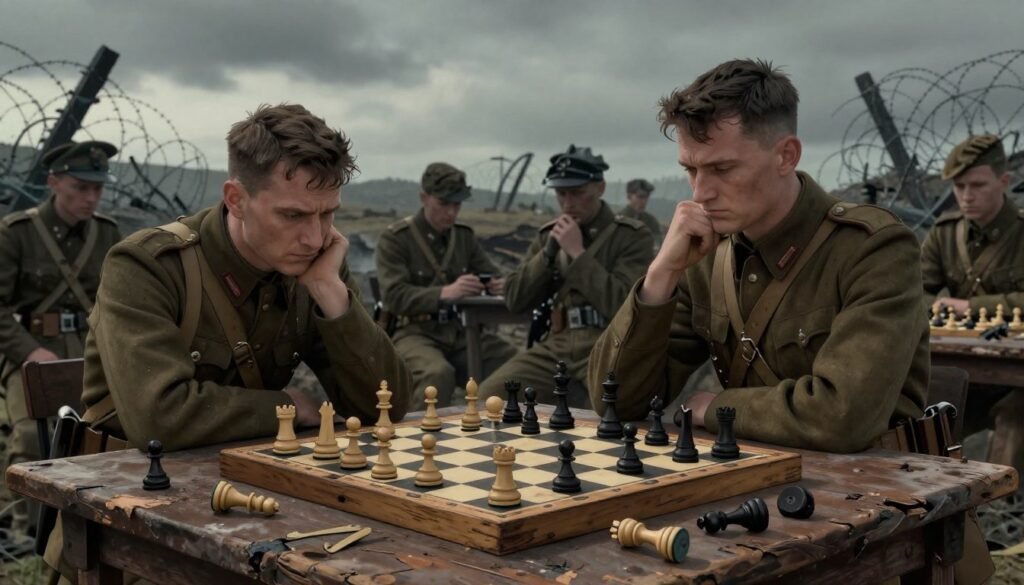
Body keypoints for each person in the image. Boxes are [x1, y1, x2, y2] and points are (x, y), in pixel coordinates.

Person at [588, 58, 991, 585]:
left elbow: (842, 415)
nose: (699, 193)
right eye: (691, 169)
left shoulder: (873, 249)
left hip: (877, 515)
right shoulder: (707, 255)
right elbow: (616, 402)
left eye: (722, 169)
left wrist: (716, 407)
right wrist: (659, 276)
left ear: (787, 155)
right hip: (759, 499)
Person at [78, 103, 411, 453]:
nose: (314, 238)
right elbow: (160, 419)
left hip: (249, 471)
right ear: (236, 199)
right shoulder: (148, 266)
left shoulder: (316, 267)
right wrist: (288, 407)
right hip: (126, 483)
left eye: (327, 213)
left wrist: (331, 293)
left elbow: (385, 407)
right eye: (293, 215)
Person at [0, 141, 122, 545]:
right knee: (34, 438)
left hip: (91, 350)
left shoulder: (107, 234)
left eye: (98, 189)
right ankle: (33, 535)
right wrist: (27, 351)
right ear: (54, 182)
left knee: (107, 434)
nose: (91, 198)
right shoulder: (17, 233)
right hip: (34, 348)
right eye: (81, 188)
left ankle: (98, 523)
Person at [479, 145, 653, 405]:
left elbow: (623, 305)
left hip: (608, 344)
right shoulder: (549, 236)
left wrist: (577, 253)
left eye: (578, 193)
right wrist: (548, 254)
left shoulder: (630, 236)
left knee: (614, 409)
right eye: (561, 194)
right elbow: (515, 299)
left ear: (600, 188)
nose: (568, 203)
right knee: (492, 395)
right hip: (558, 344)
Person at [375, 162, 516, 409]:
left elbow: (493, 274)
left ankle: (499, 434)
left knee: (513, 365)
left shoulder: (463, 237)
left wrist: (496, 285)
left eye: (457, 204)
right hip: (414, 332)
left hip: (461, 332)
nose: (451, 212)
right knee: (436, 374)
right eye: (444, 204)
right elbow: (394, 296)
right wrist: (445, 293)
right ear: (424, 197)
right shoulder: (397, 239)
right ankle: (417, 441)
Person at [922, 134, 1024, 474]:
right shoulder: (945, 233)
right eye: (959, 185)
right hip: (967, 366)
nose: (966, 196)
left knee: (1013, 420)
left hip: (1017, 370)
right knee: (929, 411)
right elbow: (913, 291)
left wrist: (972, 307)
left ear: (1004, 181)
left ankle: (1005, 511)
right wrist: (935, 307)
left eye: (978, 185)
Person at [621, 178, 662, 244]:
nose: (644, 201)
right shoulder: (618, 220)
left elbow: (658, 244)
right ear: (629, 196)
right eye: (640, 197)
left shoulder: (651, 221)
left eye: (646, 197)